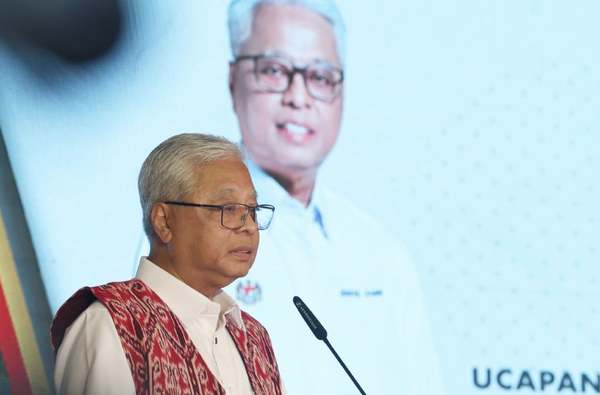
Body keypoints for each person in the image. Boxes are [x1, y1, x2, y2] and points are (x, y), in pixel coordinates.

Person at [224, 0, 447, 394]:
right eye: (274, 71)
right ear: (233, 80)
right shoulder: (192, 228)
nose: (299, 96)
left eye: (320, 77)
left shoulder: (379, 250)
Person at [51, 133, 285, 394]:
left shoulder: (254, 338)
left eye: (252, 210)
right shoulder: (111, 325)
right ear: (164, 221)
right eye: (228, 208)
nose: (250, 227)